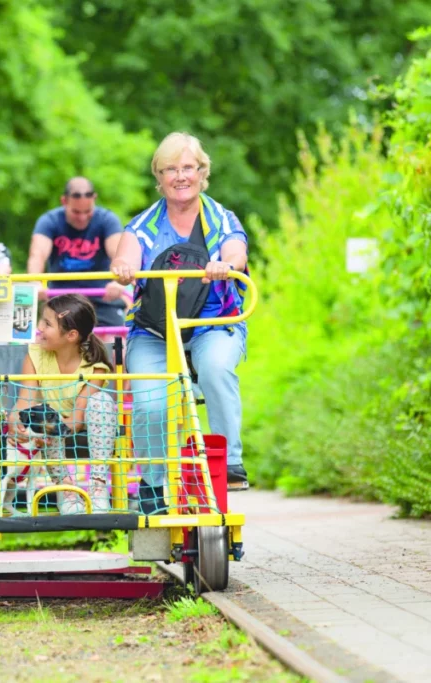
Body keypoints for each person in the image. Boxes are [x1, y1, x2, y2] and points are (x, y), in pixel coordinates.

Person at [110, 132, 250, 513]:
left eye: (187, 167)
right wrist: (123, 267)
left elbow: (236, 251)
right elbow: (127, 253)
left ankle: (229, 461)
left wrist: (227, 265)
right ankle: (154, 484)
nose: (180, 176)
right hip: (157, 330)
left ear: (202, 172)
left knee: (217, 368)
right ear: (160, 176)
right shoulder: (145, 223)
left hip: (212, 322)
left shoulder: (220, 218)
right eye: (170, 169)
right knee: (151, 401)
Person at [7, 294, 116, 514]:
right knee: (43, 417)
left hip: (83, 421)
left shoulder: (95, 367)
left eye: (47, 324)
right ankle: (66, 490)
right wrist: (15, 419)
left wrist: (47, 426)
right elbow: (25, 400)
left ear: (71, 335)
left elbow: (76, 421)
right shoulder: (35, 355)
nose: (39, 327)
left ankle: (98, 487)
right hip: (52, 424)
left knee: (101, 401)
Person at [27, 177, 130, 328]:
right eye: (76, 212)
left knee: (116, 339)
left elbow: (119, 255)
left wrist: (118, 282)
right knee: (42, 338)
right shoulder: (49, 221)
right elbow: (37, 255)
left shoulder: (107, 220)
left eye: (87, 211)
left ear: (94, 199)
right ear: (64, 201)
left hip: (103, 298)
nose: (82, 218)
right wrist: (35, 283)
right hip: (62, 298)